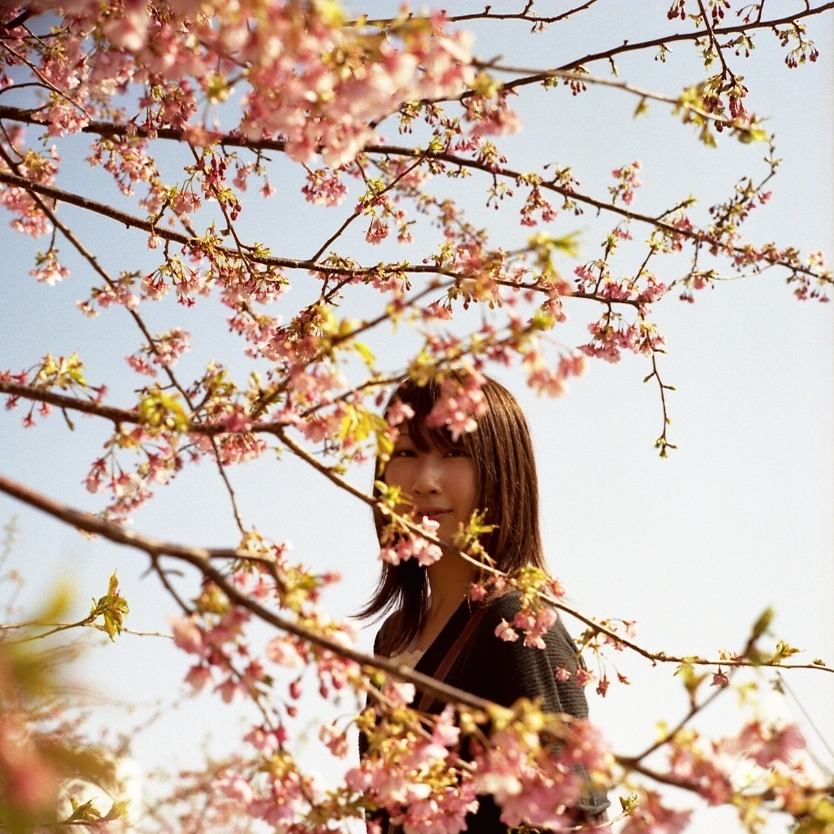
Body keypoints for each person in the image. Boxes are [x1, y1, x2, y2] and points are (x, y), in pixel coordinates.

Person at [358, 373, 610, 832]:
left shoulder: (517, 622)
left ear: (502, 471)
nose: (424, 481)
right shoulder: (392, 640)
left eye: (456, 452)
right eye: (406, 453)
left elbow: (577, 817)